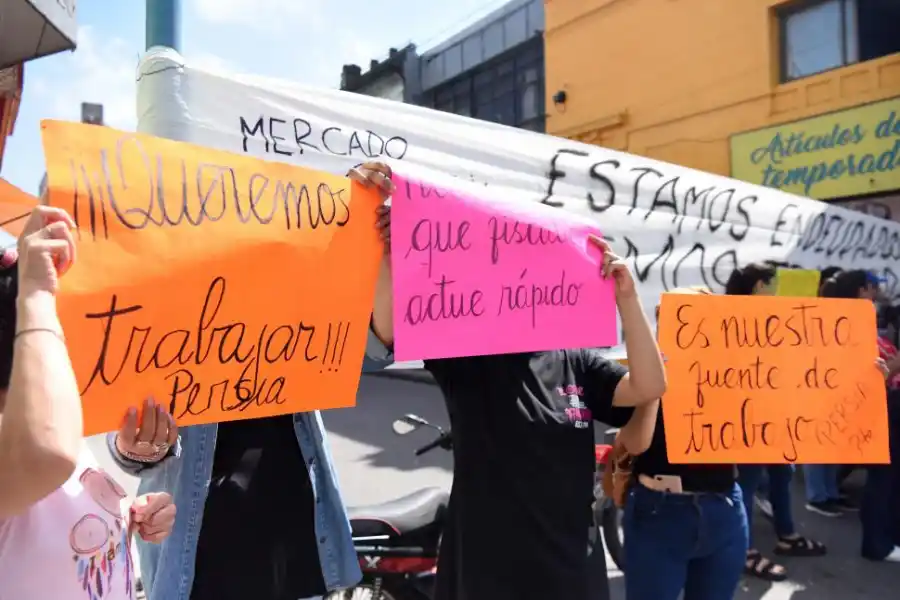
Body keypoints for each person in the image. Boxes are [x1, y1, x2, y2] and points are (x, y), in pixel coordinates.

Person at [366, 174, 667, 600]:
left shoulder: (574, 359)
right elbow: (388, 332)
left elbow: (649, 386)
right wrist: (393, 258)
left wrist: (628, 300)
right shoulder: (468, 353)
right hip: (491, 566)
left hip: (570, 561)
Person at [107, 162, 395, 600]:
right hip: (204, 568)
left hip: (295, 556)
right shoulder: (164, 311)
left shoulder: (298, 315)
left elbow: (374, 349)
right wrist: (136, 447)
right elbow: (125, 435)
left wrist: (366, 236)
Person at [0, 206, 175, 600]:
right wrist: (37, 292)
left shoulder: (59, 429)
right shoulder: (38, 440)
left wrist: (131, 516)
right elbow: (44, 458)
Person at [622, 286, 749, 600]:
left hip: (724, 509)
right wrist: (653, 387)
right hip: (659, 513)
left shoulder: (738, 376)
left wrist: (862, 379)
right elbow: (635, 445)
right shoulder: (640, 379)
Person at [727, 263, 827, 581]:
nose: (777, 289)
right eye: (773, 283)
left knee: (781, 474)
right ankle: (742, 549)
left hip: (777, 412)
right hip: (750, 417)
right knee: (747, 482)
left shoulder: (775, 318)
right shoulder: (730, 319)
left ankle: (786, 535)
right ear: (759, 286)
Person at [821, 269, 900, 561]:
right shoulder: (849, 326)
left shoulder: (858, 322)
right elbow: (870, 375)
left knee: (887, 477)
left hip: (882, 407)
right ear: (859, 291)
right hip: (876, 408)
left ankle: (885, 539)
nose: (876, 294)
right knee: (884, 478)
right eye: (870, 288)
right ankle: (878, 544)